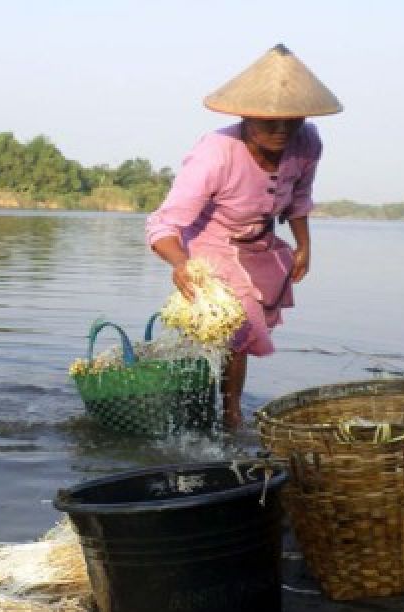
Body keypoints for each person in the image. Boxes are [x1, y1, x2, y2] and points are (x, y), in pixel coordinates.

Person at [146, 44, 342, 429]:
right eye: (269, 122)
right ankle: (232, 417)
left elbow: (299, 197)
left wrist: (304, 245)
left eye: (291, 120)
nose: (281, 130)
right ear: (244, 117)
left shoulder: (307, 142)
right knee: (240, 328)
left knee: (225, 339)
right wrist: (181, 264)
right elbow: (163, 225)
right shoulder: (216, 153)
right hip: (208, 244)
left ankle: (208, 409)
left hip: (258, 246)